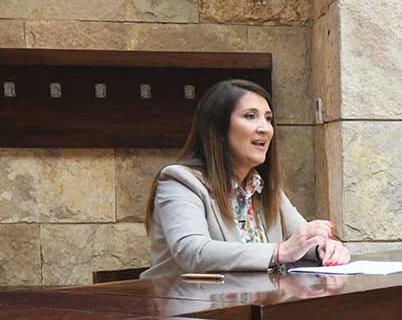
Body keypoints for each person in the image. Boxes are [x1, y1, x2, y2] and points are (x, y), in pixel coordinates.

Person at [142, 79, 350, 278]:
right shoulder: (180, 181)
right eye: (251, 116)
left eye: (268, 119)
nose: (264, 128)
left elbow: (300, 239)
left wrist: (324, 248)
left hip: (256, 306)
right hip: (190, 308)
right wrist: (278, 252)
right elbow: (192, 252)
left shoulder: (262, 186)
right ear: (219, 129)